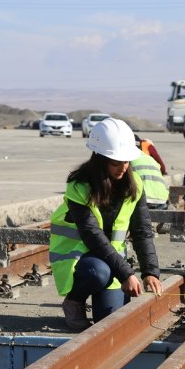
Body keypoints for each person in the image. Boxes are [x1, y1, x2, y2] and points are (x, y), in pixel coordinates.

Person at [49, 118, 163, 330]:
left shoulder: (135, 184)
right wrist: (127, 273)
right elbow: (92, 235)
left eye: (126, 161)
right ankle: (74, 301)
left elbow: (142, 231)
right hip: (80, 257)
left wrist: (150, 271)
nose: (123, 168)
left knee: (108, 323)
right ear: (100, 159)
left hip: (111, 260)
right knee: (97, 272)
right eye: (116, 162)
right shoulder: (79, 186)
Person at [131, 137, 170, 210]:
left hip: (143, 200)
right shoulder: (151, 159)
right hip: (163, 201)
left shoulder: (127, 159)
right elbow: (162, 168)